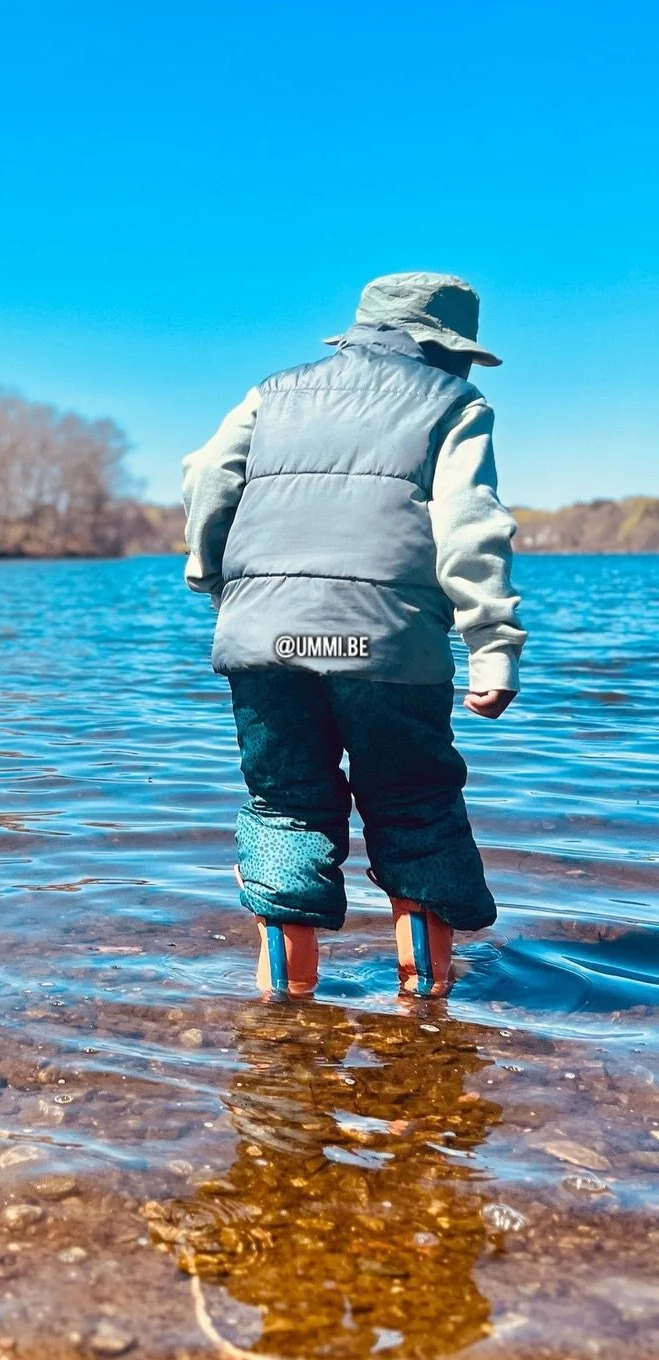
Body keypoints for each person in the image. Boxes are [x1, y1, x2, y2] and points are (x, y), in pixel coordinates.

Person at [182, 273, 525, 998]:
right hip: (389, 644)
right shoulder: (454, 401)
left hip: (266, 637)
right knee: (415, 805)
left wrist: (215, 578)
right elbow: (470, 526)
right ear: (444, 346)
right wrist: (491, 642)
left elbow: (209, 473)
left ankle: (285, 1003)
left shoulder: (272, 391)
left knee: (286, 806)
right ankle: (424, 1005)